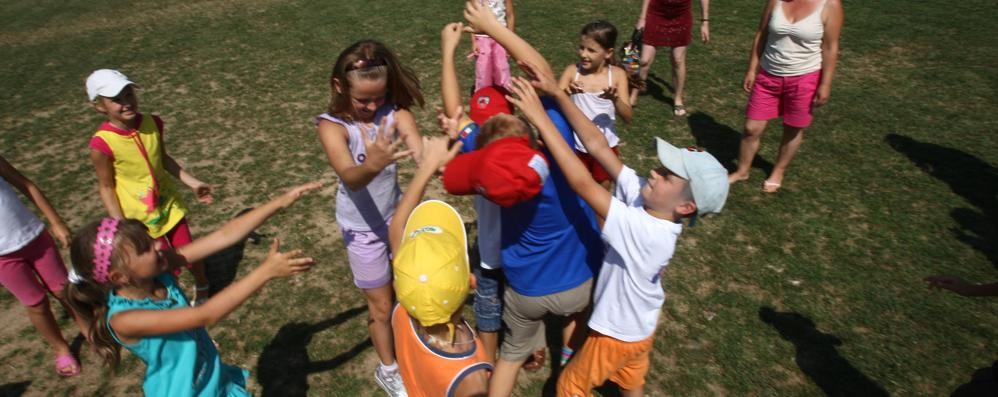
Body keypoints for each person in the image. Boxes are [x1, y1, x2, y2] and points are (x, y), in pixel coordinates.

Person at [505, 67, 728, 396]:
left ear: (685, 207)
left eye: (667, 176)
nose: (653, 172)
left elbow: (582, 182)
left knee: (568, 387)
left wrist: (541, 118)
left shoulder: (646, 230)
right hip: (640, 329)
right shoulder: (651, 205)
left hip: (615, 335)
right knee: (629, 382)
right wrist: (558, 95)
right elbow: (597, 145)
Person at [461, 3, 603, 394]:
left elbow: (460, 125)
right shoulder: (555, 132)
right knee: (576, 318)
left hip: (525, 288)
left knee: (510, 355)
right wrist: (494, 27)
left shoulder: (484, 157)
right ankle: (570, 371)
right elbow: (540, 69)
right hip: (579, 278)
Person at [64, 182, 321, 396]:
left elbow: (224, 236)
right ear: (119, 276)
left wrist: (279, 202)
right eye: (145, 248)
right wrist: (265, 272)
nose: (157, 244)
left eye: (151, 238)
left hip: (213, 379)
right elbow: (204, 315)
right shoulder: (124, 320)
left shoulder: (161, 270)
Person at [315, 39, 424, 397]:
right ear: (339, 87)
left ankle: (414, 345)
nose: (373, 106)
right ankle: (389, 369)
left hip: (396, 221)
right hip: (362, 231)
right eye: (363, 100)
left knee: (410, 289)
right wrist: (373, 163)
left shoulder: (396, 114)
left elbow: (423, 157)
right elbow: (350, 175)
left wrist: (438, 158)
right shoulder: (332, 127)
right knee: (381, 305)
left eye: (379, 97)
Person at [86, 69, 214, 305]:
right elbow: (106, 187)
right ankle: (177, 304)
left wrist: (192, 182)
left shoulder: (152, 123)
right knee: (161, 264)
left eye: (128, 94)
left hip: (168, 205)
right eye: (116, 99)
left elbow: (163, 158)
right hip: (138, 218)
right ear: (99, 106)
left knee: (188, 252)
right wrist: (120, 225)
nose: (126, 103)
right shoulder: (102, 144)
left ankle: (202, 282)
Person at [387, 135, 493, 397]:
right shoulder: (472, 380)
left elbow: (396, 229)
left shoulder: (405, 308)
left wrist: (426, 167)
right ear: (471, 281)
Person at [440, 22, 516, 364]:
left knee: (488, 309)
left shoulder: (475, 149)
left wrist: (447, 52)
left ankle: (488, 364)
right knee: (515, 308)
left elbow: (454, 110)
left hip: (491, 256)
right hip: (523, 255)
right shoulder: (529, 146)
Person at [727, 0, 844, 193]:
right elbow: (761, 34)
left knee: (793, 128)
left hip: (805, 78)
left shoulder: (830, 5)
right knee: (751, 128)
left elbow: (831, 47)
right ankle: (742, 171)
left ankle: (778, 170)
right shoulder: (776, 1)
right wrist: (751, 69)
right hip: (768, 75)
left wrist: (826, 83)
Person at [0, 154, 89, 377]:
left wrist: (56, 222)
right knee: (36, 303)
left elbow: (26, 184)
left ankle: (89, 330)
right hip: (3, 258)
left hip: (35, 237)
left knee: (64, 290)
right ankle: (60, 348)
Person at [558, 20, 633, 190]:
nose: (584, 54)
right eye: (582, 47)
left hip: (605, 147)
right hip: (575, 144)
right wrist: (566, 93)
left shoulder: (617, 75)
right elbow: (554, 103)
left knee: (603, 190)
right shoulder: (572, 72)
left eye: (591, 50)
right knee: (575, 189)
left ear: (608, 53)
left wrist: (615, 100)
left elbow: (627, 116)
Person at [631, 0, 711, 116]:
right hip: (656, 13)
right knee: (644, 61)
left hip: (681, 15)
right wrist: (642, 18)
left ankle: (678, 99)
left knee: (678, 60)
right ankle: (633, 94)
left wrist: (705, 22)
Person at [469, 0, 515, 92]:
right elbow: (472, 17)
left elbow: (510, 16)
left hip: (501, 37)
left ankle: (504, 98)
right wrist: (473, 41)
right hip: (482, 38)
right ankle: (483, 99)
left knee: (502, 69)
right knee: (483, 70)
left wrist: (510, 41)